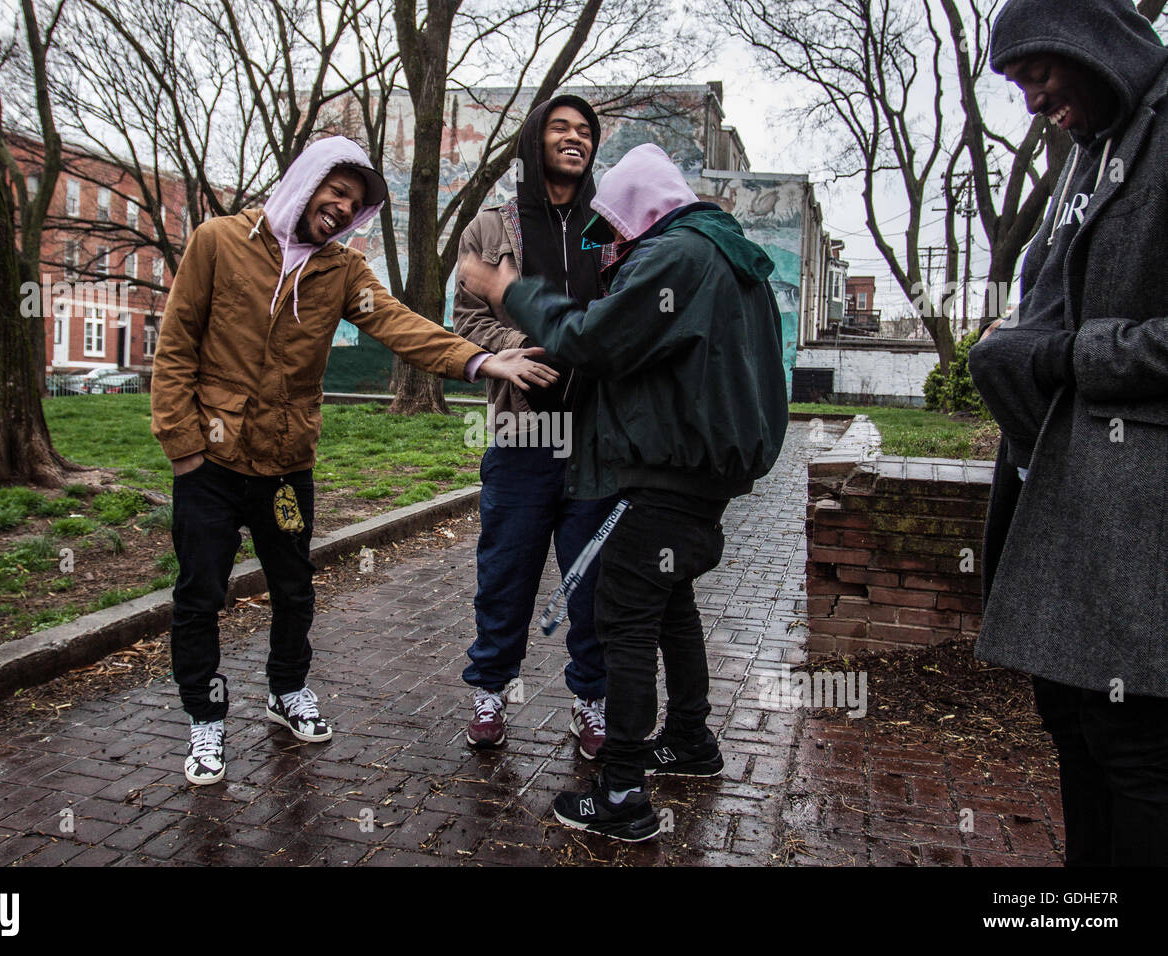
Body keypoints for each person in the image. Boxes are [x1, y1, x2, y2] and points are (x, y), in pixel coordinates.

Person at [151, 135, 557, 786]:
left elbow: (401, 326)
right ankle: (206, 718)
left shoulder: (340, 272)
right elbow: (174, 351)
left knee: (293, 588)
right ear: (307, 182)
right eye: (336, 192)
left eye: (354, 202)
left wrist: (481, 360)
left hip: (286, 467)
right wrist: (184, 452)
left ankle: (288, 692)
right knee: (200, 596)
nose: (342, 208)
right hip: (212, 465)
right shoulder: (218, 243)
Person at [460, 143, 789, 841]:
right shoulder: (733, 258)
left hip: (662, 474)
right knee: (672, 607)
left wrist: (507, 291)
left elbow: (591, 339)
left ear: (641, 208)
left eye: (612, 231)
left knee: (625, 621)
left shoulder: (676, 257)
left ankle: (621, 796)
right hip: (708, 476)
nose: (609, 249)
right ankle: (692, 741)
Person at [968, 0, 1168, 866]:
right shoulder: (1094, 153)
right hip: (1060, 497)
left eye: (1035, 77)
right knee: (1076, 724)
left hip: (1136, 524)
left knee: (1136, 748)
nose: (1030, 104)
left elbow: (1082, 339)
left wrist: (1072, 357)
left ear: (1083, 42)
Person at [452, 94, 616, 758]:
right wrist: (507, 352)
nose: (574, 138)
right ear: (535, 141)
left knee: (595, 582)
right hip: (523, 435)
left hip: (597, 439)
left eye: (585, 132)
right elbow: (465, 320)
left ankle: (592, 704)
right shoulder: (490, 227)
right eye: (561, 128)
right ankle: (490, 691)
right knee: (506, 571)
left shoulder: (612, 227)